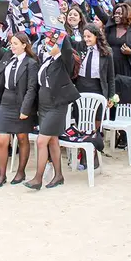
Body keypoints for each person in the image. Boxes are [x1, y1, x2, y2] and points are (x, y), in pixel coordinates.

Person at [0, 20, 39, 188]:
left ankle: (21, 171)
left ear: (24, 45)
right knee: (2, 140)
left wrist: (25, 109)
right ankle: (1, 175)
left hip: (22, 103)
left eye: (15, 44)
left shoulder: (31, 63)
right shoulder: (8, 56)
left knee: (22, 138)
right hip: (6, 101)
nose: (12, 47)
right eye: (11, 44)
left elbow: (32, 88)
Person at [24, 30, 79, 190]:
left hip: (56, 105)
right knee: (52, 141)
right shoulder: (47, 60)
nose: (50, 45)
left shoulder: (64, 61)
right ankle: (59, 175)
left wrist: (61, 32)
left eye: (54, 43)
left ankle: (38, 178)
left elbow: (67, 49)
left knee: (42, 141)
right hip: (44, 104)